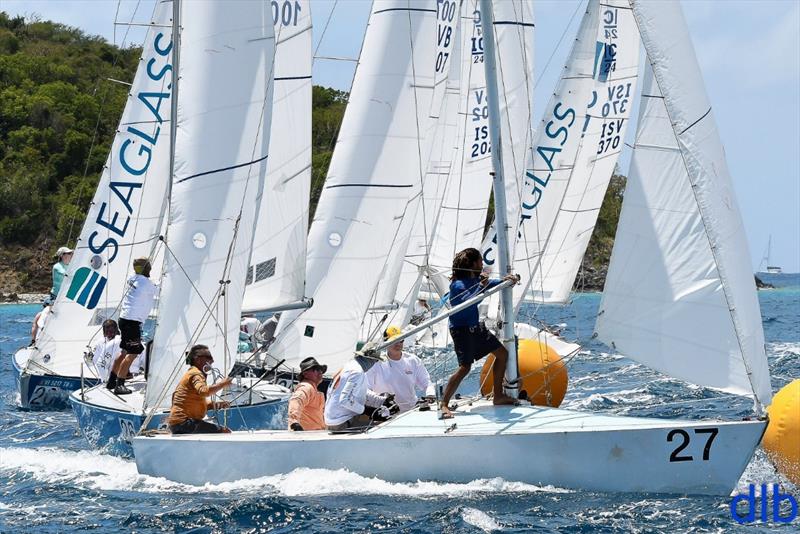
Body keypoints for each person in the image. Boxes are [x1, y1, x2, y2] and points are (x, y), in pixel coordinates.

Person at [440, 247, 519, 419]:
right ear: (473, 263)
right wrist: (482, 286)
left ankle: (497, 396)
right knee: (465, 368)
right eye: (480, 261)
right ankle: (444, 403)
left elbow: (490, 285)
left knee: (502, 354)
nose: (482, 264)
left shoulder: (475, 280)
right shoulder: (457, 285)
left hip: (477, 328)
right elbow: (470, 299)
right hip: (461, 331)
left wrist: (507, 280)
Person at [107, 257, 158, 395]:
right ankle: (119, 385)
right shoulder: (146, 283)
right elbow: (160, 292)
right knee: (133, 352)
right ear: (147, 268)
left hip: (125, 319)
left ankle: (111, 382)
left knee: (124, 351)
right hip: (132, 322)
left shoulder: (132, 278)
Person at [166, 344, 233, 434]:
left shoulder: (191, 373)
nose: (212, 360)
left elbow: (193, 401)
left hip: (178, 424)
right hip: (185, 423)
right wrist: (222, 384)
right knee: (224, 431)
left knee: (218, 429)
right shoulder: (196, 374)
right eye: (209, 357)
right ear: (198, 360)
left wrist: (216, 405)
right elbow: (204, 391)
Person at [324, 346, 395, 431]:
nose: (374, 363)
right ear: (370, 359)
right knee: (386, 427)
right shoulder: (357, 372)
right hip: (341, 422)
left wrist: (381, 401)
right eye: (376, 361)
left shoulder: (349, 365)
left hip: (333, 420)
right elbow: (344, 400)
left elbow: (358, 392)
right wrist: (369, 411)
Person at [367, 325, 434, 413]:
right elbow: (366, 389)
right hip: (387, 413)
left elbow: (426, 382)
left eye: (400, 340)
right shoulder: (376, 363)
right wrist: (381, 401)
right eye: (394, 340)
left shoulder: (413, 360)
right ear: (385, 342)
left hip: (413, 410)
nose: (398, 343)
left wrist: (430, 394)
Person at [287, 356, 327, 431]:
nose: (320, 372)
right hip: (306, 436)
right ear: (305, 374)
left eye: (321, 370)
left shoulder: (312, 389)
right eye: (316, 370)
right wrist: (294, 423)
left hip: (314, 435)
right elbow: (296, 400)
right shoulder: (306, 387)